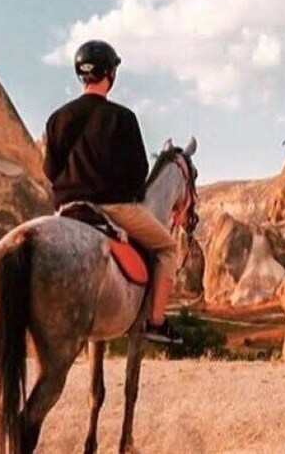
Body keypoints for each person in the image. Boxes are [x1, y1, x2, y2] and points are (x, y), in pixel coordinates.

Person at [43, 39, 183, 345]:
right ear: (110, 73)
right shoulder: (122, 118)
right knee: (167, 247)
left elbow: (50, 171)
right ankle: (157, 322)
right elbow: (138, 174)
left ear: (81, 75)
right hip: (113, 208)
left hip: (67, 210)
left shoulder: (57, 118)